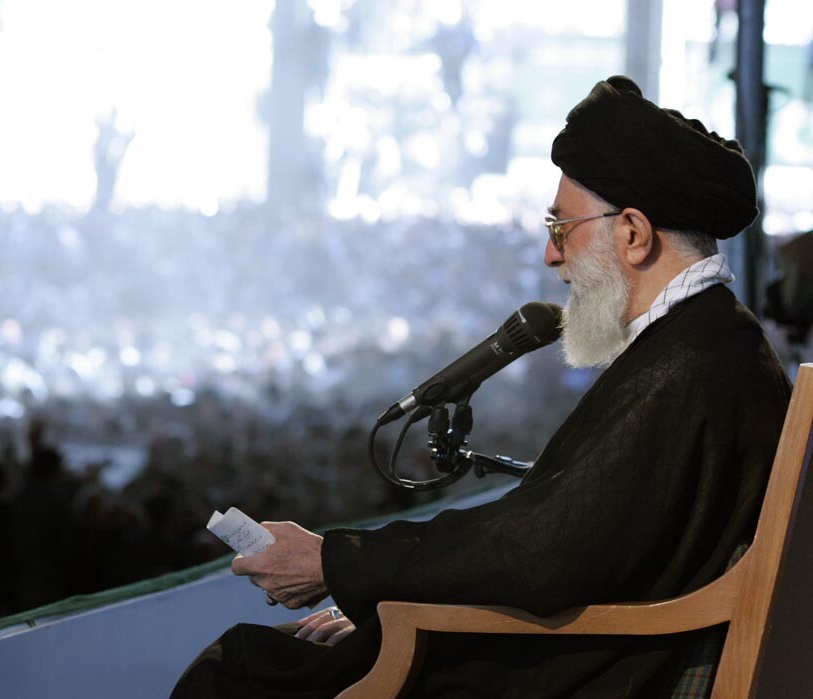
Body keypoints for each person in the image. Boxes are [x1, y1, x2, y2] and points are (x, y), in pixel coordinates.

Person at [171, 76, 792, 698]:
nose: (551, 256)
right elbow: (569, 537)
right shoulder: (713, 344)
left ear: (633, 233)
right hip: (596, 653)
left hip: (587, 672)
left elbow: (544, 550)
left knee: (233, 675)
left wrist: (333, 562)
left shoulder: (686, 365)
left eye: (561, 227)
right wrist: (384, 602)